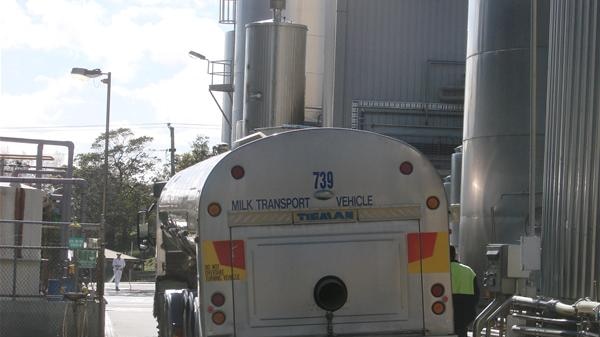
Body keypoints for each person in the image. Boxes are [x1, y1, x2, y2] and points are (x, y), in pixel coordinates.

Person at [450, 245, 479, 337]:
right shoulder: (468, 270)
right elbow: (476, 294)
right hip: (465, 312)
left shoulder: (439, 270)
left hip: (448, 311)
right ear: (455, 255)